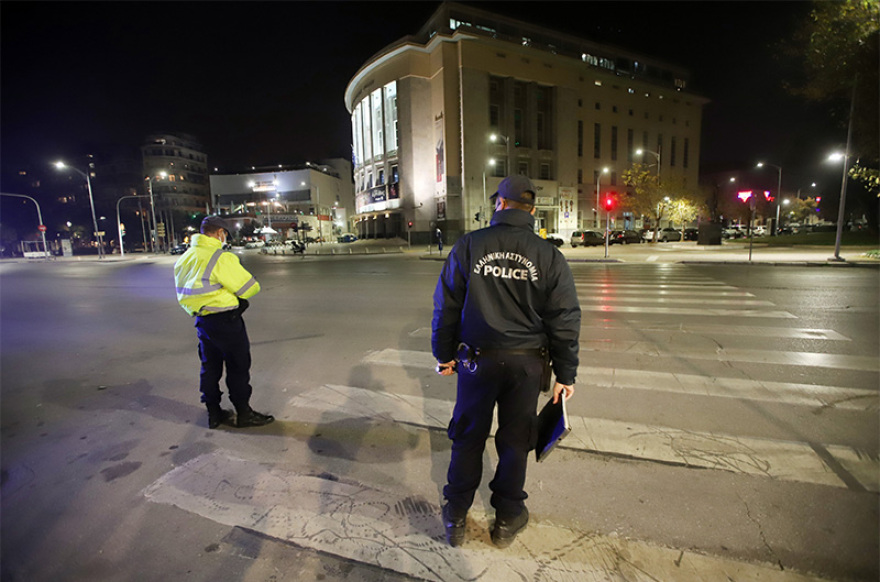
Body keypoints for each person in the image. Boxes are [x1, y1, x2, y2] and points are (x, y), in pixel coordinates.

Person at [431, 175, 580, 548]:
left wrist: (444, 354)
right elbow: (564, 317)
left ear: (499, 204)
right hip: (526, 365)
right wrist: (566, 372)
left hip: (476, 362)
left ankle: (455, 514)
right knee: (515, 440)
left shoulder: (469, 246)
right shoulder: (549, 255)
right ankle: (508, 518)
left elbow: (446, 305)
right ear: (531, 209)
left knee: (467, 436)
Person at [174, 216, 274, 429]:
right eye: (224, 234)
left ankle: (214, 413)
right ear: (220, 233)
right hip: (226, 321)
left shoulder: (185, 257)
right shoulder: (220, 258)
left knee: (209, 368)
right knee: (238, 367)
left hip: (202, 321)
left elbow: (185, 292)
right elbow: (249, 288)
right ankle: (244, 413)